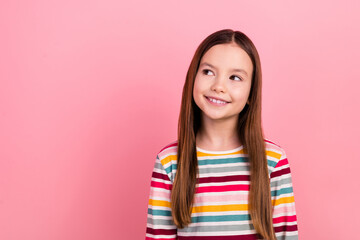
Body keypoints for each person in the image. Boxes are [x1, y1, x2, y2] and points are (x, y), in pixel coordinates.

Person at [145, 29, 298, 240]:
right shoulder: (169, 161)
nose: (218, 86)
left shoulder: (272, 160)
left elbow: (286, 236)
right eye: (208, 72)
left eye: (235, 77)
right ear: (193, 77)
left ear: (251, 94)